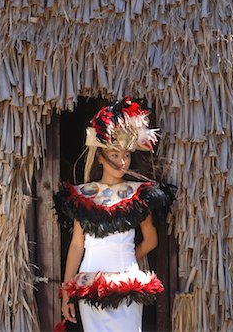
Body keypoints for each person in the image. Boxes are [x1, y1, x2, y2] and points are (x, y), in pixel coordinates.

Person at [54, 97, 176, 332]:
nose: (121, 161)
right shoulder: (84, 196)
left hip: (126, 284)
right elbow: (78, 244)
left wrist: (128, 258)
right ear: (100, 156)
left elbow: (151, 240)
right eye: (114, 154)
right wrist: (66, 292)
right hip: (90, 287)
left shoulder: (139, 195)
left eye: (126, 155)